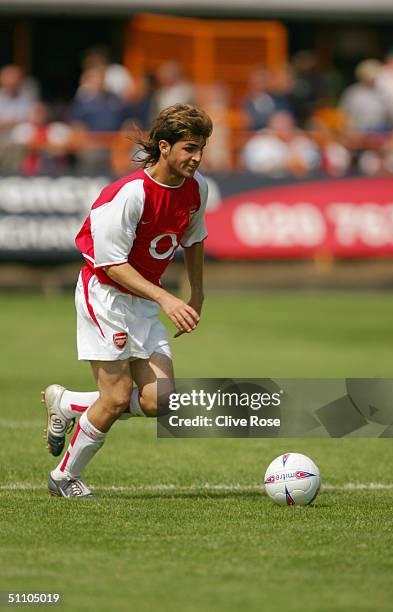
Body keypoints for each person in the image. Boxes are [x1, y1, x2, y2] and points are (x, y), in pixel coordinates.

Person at [42, 103, 213, 498]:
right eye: (189, 148)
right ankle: (64, 477)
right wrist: (167, 299)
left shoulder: (196, 188)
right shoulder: (129, 195)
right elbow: (111, 263)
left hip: (142, 301)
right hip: (105, 296)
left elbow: (194, 239)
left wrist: (198, 292)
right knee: (117, 398)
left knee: (161, 400)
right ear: (165, 147)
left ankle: (67, 404)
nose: (197, 157)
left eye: (201, 148)